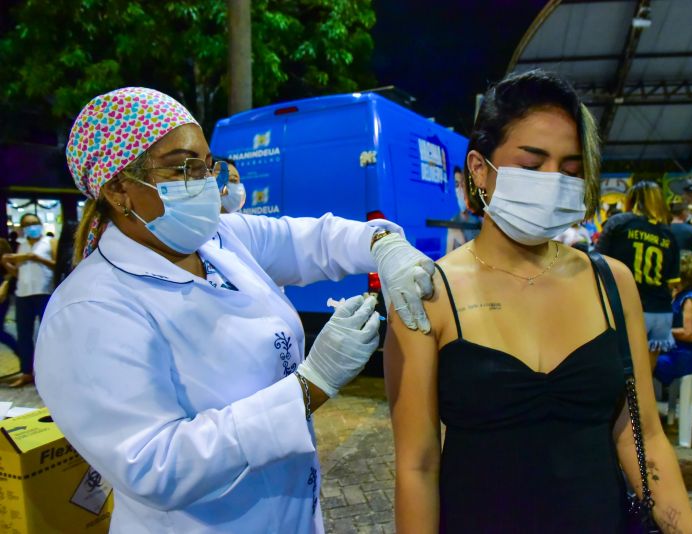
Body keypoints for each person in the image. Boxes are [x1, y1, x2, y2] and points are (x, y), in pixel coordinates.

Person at [33, 87, 437, 533]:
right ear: (118, 189)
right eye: (181, 167)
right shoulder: (90, 310)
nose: (206, 182)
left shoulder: (221, 240)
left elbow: (315, 241)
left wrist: (384, 245)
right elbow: (154, 466)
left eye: (206, 164)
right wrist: (311, 386)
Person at [385, 70, 692, 533]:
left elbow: (643, 435)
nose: (553, 182)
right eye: (532, 166)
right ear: (479, 170)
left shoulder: (611, 281)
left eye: (570, 170)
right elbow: (418, 465)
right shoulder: (429, 295)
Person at [596, 181, 681, 367]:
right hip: (661, 313)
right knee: (645, 381)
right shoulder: (668, 235)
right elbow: (672, 283)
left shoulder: (619, 222)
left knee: (621, 378)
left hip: (627, 309)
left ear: (631, 199)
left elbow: (597, 262)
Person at [0, 213, 57, 387]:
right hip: (23, 295)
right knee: (24, 336)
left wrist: (37, 258)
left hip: (44, 293)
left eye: (34, 223)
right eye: (27, 224)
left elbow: (57, 265)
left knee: (47, 335)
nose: (31, 227)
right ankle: (26, 372)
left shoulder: (50, 242)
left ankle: (52, 372)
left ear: (40, 224)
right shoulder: (22, 246)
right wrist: (7, 265)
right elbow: (19, 273)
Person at [654, 252, 692, 386]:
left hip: (687, 357)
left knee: (640, 363)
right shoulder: (684, 294)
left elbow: (690, 334)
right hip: (680, 353)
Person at [445, 166, 482, 252]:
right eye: (457, 185)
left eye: (463, 184)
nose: (460, 189)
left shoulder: (478, 221)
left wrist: (463, 243)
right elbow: (447, 258)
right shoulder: (453, 223)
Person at [0, 238, 19, 359]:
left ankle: (23, 354)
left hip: (2, 297)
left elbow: (9, 276)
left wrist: (4, 286)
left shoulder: (5, 258)